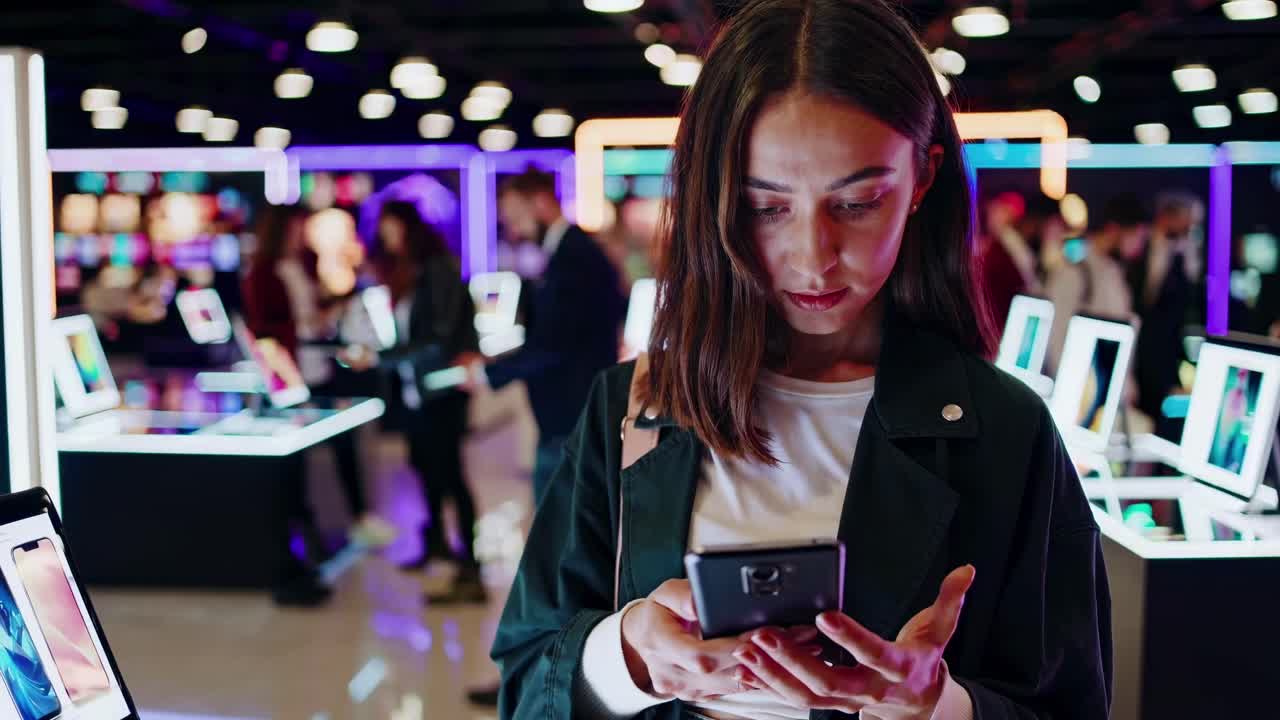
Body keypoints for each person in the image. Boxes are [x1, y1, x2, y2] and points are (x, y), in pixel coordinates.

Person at [491, 1, 1112, 718]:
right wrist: (630, 653)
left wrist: (940, 708)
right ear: (714, 199)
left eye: (858, 203)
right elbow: (526, 680)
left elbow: (1073, 703)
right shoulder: (631, 409)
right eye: (766, 208)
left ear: (923, 180)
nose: (813, 260)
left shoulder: (1007, 432)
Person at [340, 201, 485, 604]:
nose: (384, 235)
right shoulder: (407, 274)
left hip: (440, 391)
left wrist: (381, 358)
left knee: (450, 472)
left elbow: (437, 339)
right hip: (414, 393)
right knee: (425, 468)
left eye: (388, 227)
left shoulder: (436, 269)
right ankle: (437, 543)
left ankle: (470, 565)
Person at [483, 167, 628, 504]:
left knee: (557, 531)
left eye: (515, 216)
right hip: (568, 413)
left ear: (541, 202)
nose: (513, 229)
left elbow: (555, 344)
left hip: (572, 413)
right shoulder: (567, 251)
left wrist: (490, 372)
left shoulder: (574, 255)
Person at [1123, 191, 1204, 430]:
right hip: (1137, 346)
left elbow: (1189, 300)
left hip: (1166, 352)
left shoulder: (1187, 253)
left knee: (1162, 416)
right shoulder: (1140, 244)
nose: (1190, 227)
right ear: (1167, 216)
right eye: (1186, 220)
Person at [1043, 193, 1145, 374]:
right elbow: (1056, 338)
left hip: (1107, 384)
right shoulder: (1074, 271)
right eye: (1134, 235)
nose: (1137, 245)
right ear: (1114, 230)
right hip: (1081, 385)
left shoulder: (1112, 270)